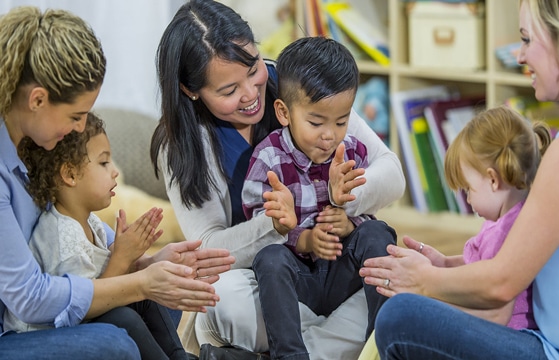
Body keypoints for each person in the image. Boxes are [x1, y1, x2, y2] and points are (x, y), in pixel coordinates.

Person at [150, 0, 405, 358]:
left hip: (334, 264)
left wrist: (345, 198)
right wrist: (274, 226)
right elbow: (209, 249)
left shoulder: (294, 84)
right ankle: (344, 347)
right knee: (225, 299)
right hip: (266, 275)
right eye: (228, 91)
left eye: (253, 68)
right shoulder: (180, 144)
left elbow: (391, 172)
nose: (252, 94)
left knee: (396, 275)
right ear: (191, 90)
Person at [0, 6, 234, 360]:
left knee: (159, 298)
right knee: (115, 344)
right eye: (75, 116)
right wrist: (137, 282)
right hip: (14, 328)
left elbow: (84, 251)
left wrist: (150, 266)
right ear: (37, 100)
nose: (79, 129)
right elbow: (30, 298)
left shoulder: (35, 146)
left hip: (44, 312)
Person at [360, 0, 559, 358]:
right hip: (551, 340)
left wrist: (423, 281)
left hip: (557, 351)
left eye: (527, 40)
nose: (520, 56)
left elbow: (501, 284)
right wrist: (446, 266)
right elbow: (518, 256)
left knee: (400, 317)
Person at [241, 37, 397, 360]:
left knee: (378, 233)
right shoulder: (268, 158)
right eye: (316, 122)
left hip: (341, 272)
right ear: (284, 113)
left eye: (341, 121)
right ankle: (291, 355)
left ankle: (380, 344)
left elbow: (367, 213)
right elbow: (256, 229)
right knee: (269, 260)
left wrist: (349, 216)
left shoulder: (353, 150)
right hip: (301, 277)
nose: (330, 135)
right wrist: (300, 237)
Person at [6, 112, 189, 360]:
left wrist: (147, 259)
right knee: (123, 317)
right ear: (70, 175)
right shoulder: (62, 237)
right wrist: (122, 260)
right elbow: (84, 311)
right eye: (104, 163)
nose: (115, 172)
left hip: (81, 318)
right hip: (48, 332)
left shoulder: (89, 220)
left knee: (153, 299)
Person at [406, 106, 551, 330]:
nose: (469, 200)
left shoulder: (504, 233)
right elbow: (483, 266)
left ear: (493, 180)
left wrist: (433, 298)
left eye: (467, 189)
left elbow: (495, 315)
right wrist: (445, 263)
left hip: (506, 335)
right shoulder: (517, 217)